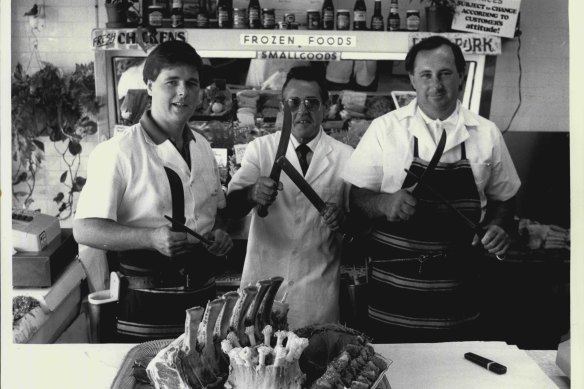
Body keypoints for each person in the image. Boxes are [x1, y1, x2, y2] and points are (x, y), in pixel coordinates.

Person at [341, 36, 520, 343]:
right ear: (412, 78)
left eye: (445, 73)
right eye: (426, 75)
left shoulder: (486, 133)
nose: (436, 85)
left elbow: (506, 197)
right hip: (393, 298)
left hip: (460, 298)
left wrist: (498, 226)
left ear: (461, 75)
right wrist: (383, 203)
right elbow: (354, 199)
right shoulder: (386, 129)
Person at [74, 40, 233, 341]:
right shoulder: (119, 151)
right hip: (144, 305)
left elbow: (217, 211)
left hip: (202, 303)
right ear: (149, 86)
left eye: (191, 83)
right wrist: (149, 237)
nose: (183, 92)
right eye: (171, 82)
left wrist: (220, 233)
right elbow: (85, 230)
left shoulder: (202, 147)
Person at [227, 66, 354, 330]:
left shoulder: (347, 157)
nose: (302, 110)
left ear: (326, 106)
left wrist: (343, 219)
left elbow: (359, 226)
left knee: (317, 364)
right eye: (293, 102)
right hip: (261, 294)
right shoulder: (260, 149)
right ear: (282, 106)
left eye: (312, 102)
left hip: (316, 298)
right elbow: (231, 208)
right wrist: (252, 193)